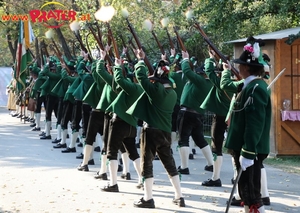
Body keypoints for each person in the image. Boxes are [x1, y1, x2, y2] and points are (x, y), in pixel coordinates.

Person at [127, 49, 185, 208]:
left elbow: (141, 77)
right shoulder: (172, 93)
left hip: (151, 131)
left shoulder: (156, 90)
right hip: (165, 132)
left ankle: (148, 198)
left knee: (147, 164)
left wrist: (140, 60)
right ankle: (179, 196)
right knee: (170, 164)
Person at [224, 38, 271, 213]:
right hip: (243, 147)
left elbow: (255, 123)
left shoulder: (255, 89)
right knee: (246, 193)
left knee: (252, 196)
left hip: (250, 149)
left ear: (246, 68)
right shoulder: (248, 86)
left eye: (241, 65)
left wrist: (248, 151)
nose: (239, 68)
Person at [99, 49, 143, 192]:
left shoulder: (128, 87)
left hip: (119, 122)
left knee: (112, 153)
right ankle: (142, 178)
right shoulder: (140, 88)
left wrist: (115, 65)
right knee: (133, 153)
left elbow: (115, 78)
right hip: (131, 124)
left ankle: (113, 183)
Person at [200, 50, 237, 187]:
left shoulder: (222, 82)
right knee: (234, 148)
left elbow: (209, 71)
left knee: (216, 148)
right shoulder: (237, 83)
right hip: (234, 118)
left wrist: (210, 58)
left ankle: (216, 178)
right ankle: (235, 177)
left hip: (220, 117)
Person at [176, 51, 214, 175]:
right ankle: (211, 164)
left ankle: (184, 167)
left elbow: (186, 71)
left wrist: (186, 59)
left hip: (187, 113)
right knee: (200, 140)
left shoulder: (201, 81)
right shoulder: (208, 83)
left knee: (183, 140)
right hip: (197, 114)